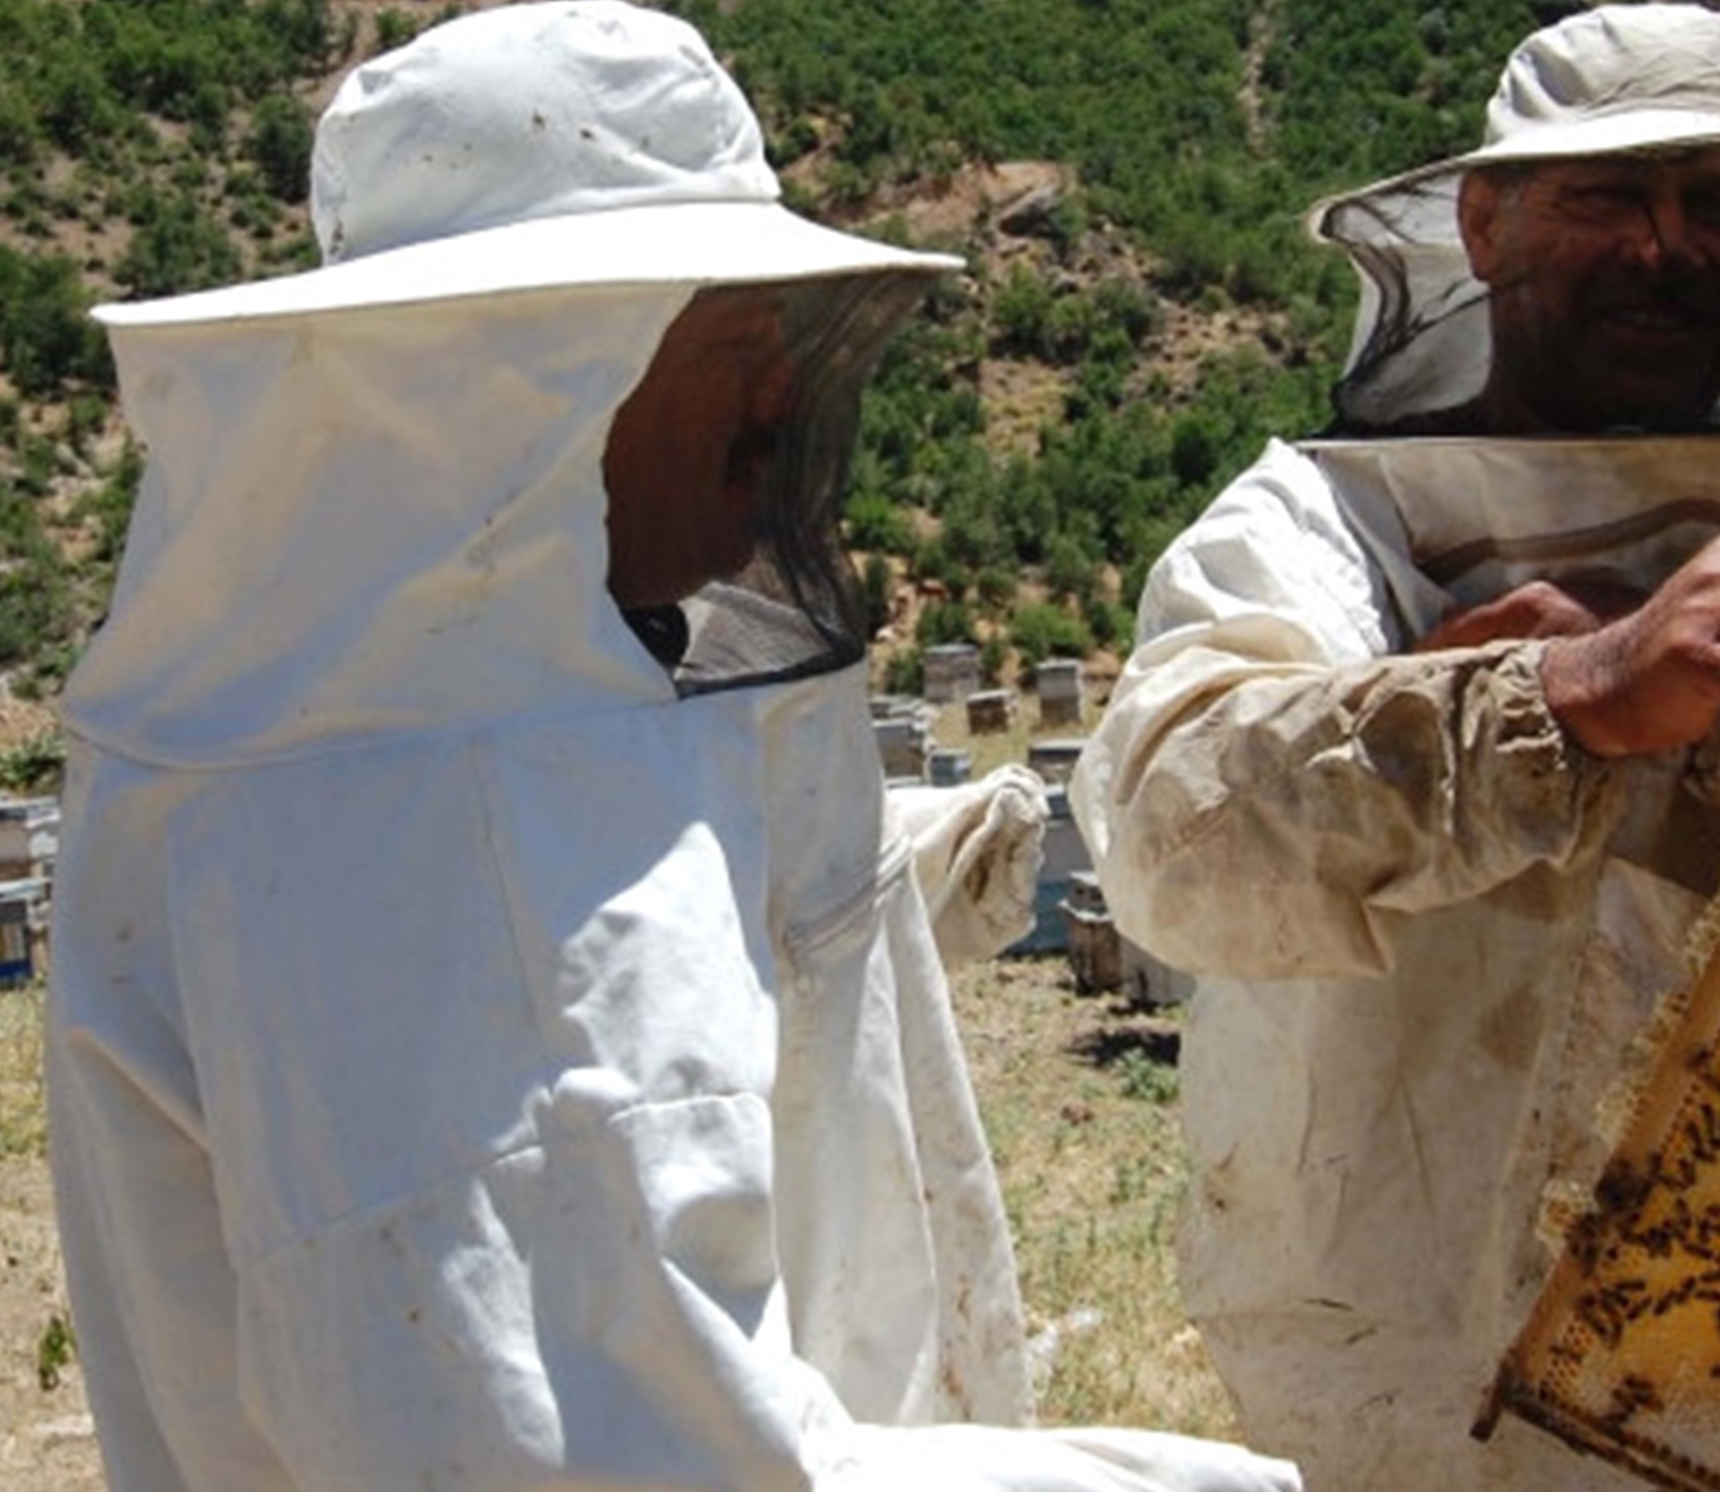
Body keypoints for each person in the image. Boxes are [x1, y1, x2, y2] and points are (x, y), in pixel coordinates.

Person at [42, 6, 1298, 1491]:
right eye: (735, 349)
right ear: (530, 382)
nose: (784, 410)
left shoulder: (293, 734)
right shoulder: (478, 845)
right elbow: (627, 1460)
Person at [1069, 9, 1720, 1492]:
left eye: (1716, 205)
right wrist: (1559, 695)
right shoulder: (1325, 526)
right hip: (1418, 1359)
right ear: (1484, 225)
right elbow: (1173, 839)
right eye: (1606, 197)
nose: (1662, 249)